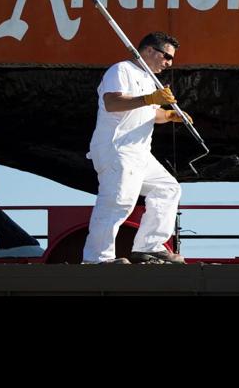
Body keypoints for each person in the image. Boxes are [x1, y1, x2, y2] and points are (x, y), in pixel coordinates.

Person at [82, 32, 192, 265]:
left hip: (140, 152)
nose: (169, 63)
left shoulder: (148, 78)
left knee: (168, 189)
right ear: (150, 51)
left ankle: (149, 247)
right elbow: (112, 103)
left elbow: (148, 113)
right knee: (118, 201)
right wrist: (150, 98)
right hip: (117, 149)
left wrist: (170, 115)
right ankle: (97, 259)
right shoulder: (121, 70)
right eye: (166, 56)